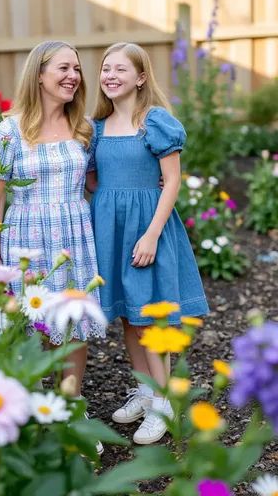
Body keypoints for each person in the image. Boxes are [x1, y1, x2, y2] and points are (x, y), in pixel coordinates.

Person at [0, 40, 106, 453]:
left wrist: (148, 181)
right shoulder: (8, 131)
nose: (74, 76)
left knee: (72, 324)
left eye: (77, 69)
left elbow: (95, 184)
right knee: (30, 328)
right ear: (39, 73)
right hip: (26, 239)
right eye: (64, 68)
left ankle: (70, 409)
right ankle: (30, 410)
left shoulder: (84, 127)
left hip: (74, 234)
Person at [86, 42, 209, 445]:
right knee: (127, 315)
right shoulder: (98, 128)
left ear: (140, 78)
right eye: (106, 69)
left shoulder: (154, 122)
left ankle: (163, 404)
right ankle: (145, 390)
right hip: (111, 233)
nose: (111, 76)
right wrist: (107, 205)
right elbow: (92, 179)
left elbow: (171, 180)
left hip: (147, 231)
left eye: (121, 69)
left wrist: (152, 232)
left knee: (149, 318)